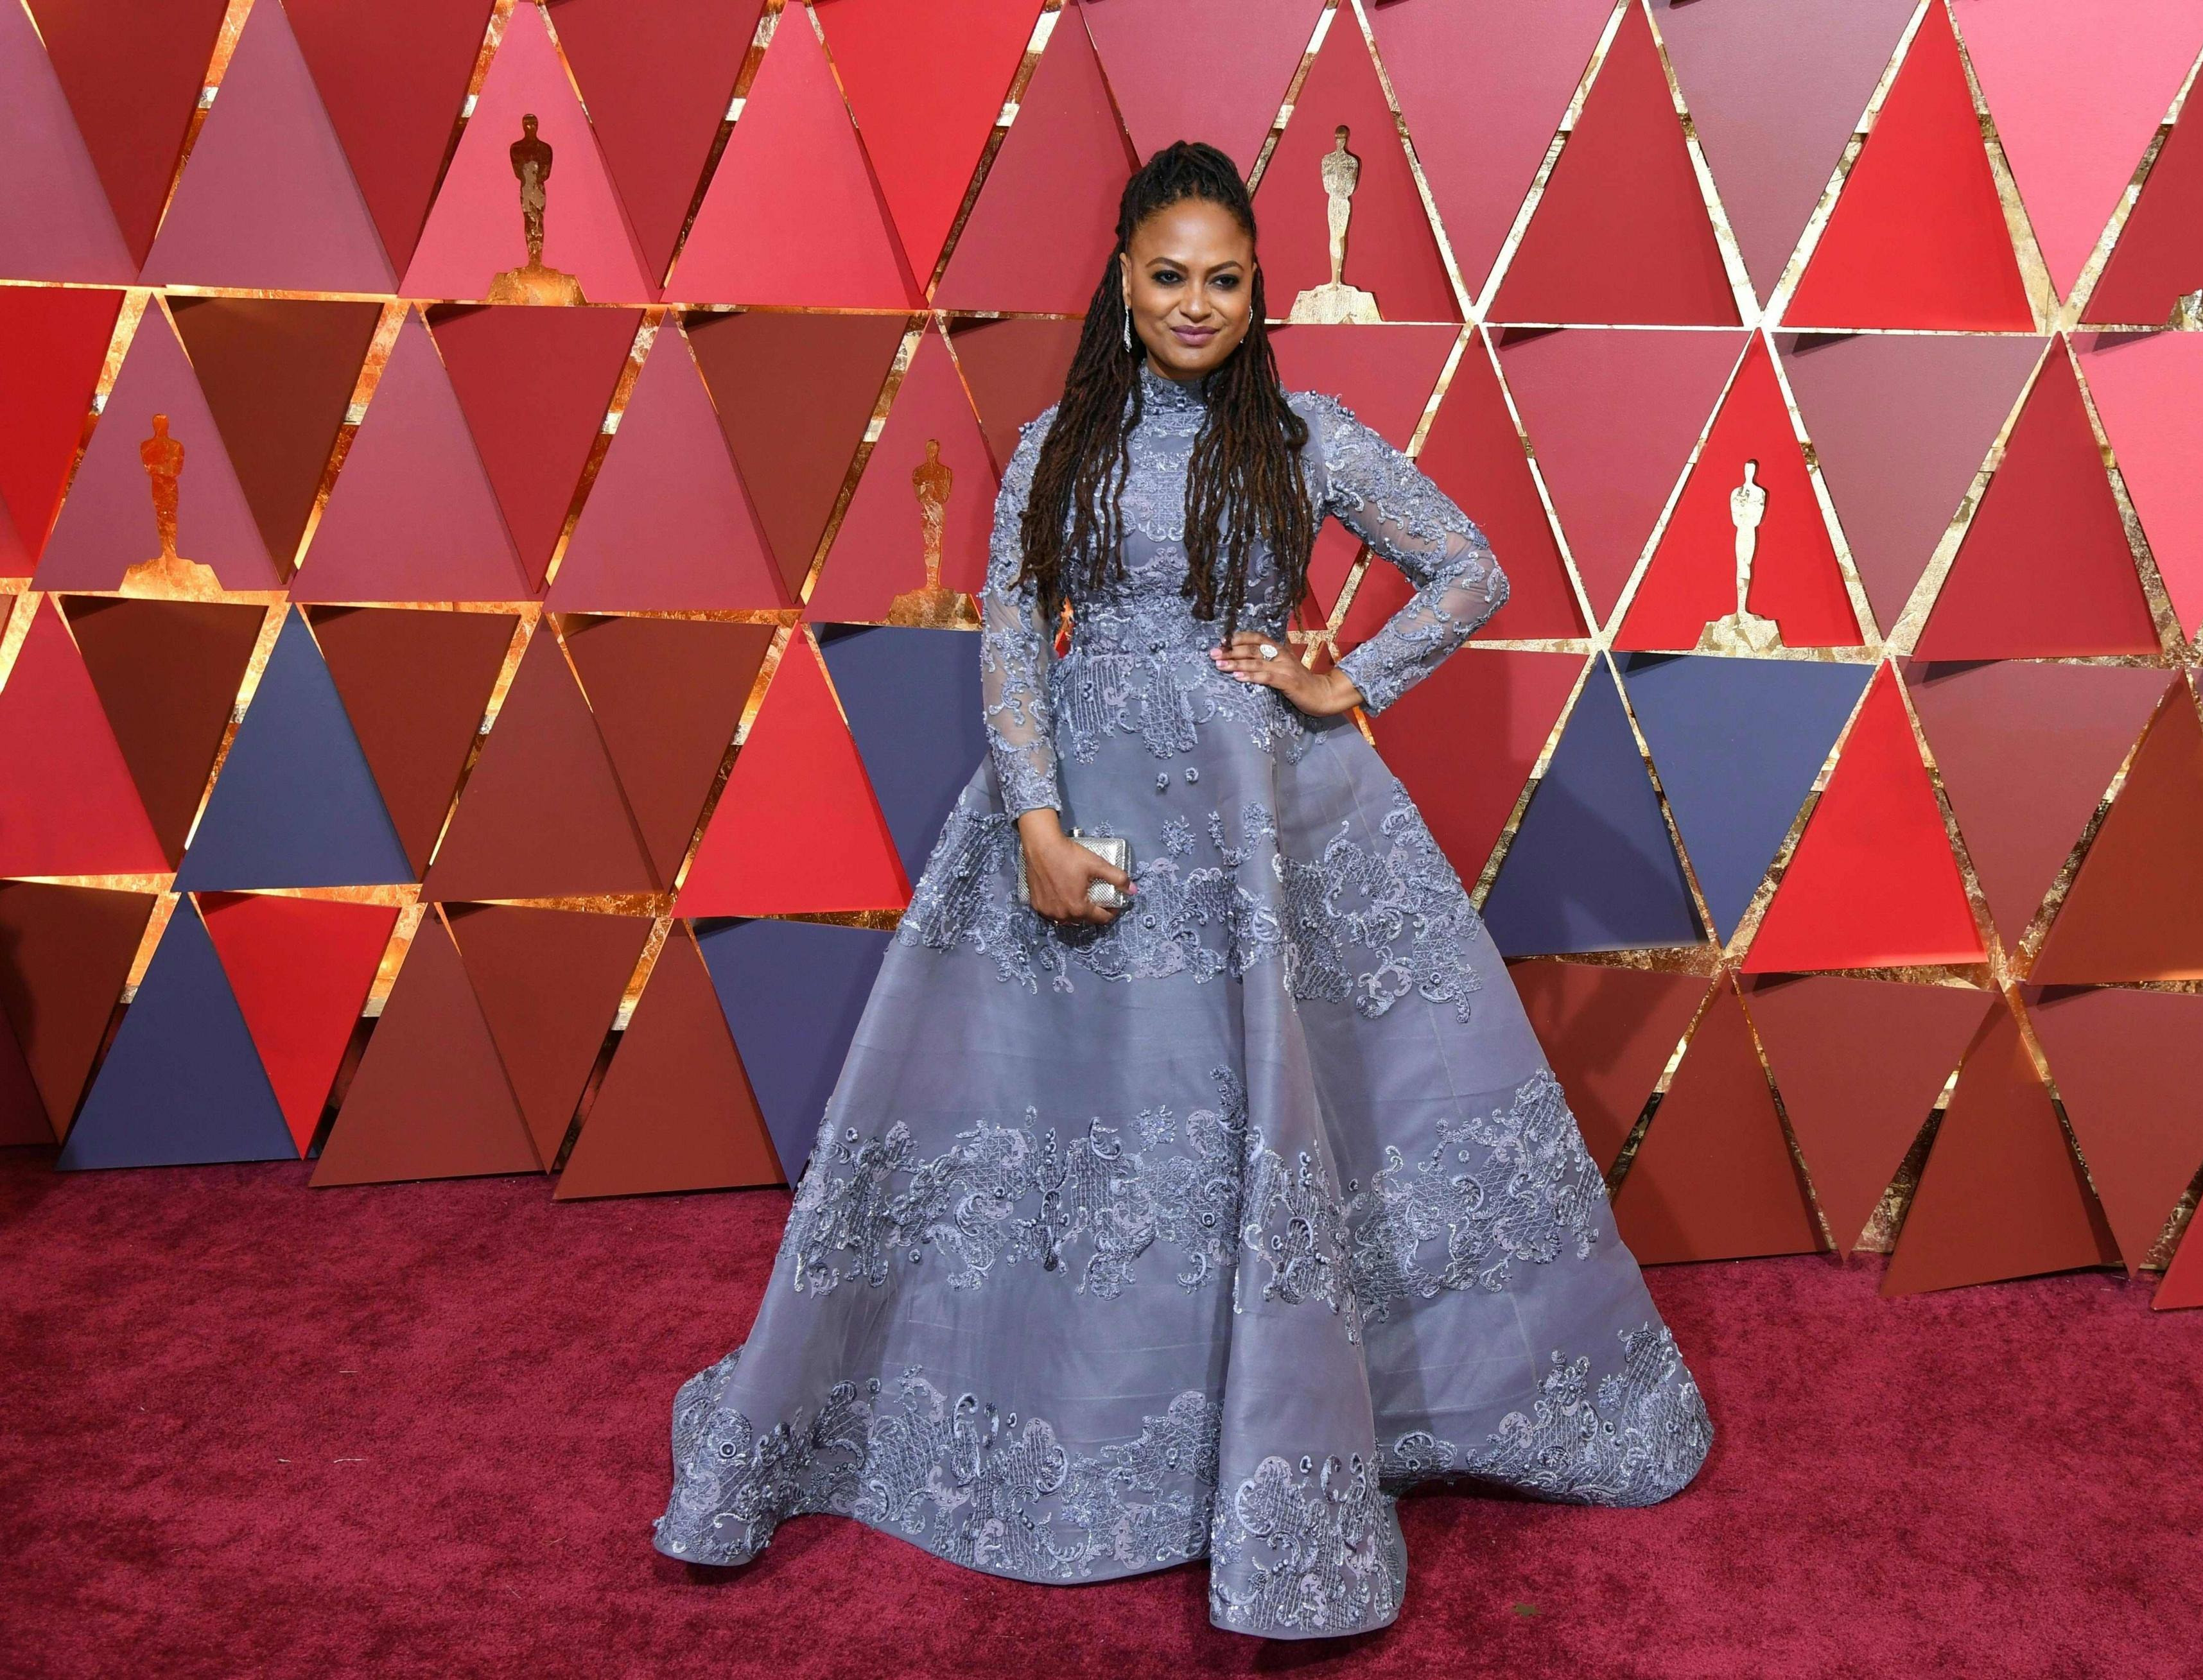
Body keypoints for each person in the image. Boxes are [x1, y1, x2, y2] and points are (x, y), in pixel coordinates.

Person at [650, 141, 1711, 1640]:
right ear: (1124, 279)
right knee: (1084, 1127)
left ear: (1258, 282)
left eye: (1224, 277)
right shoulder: (1055, 446)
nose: (1197, 302)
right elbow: (1015, 625)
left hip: (1270, 821)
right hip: (1085, 816)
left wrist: (1339, 681)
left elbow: (1469, 568)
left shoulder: (1307, 435)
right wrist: (1031, 817)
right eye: (1169, 275)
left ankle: (1298, 1439)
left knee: (1281, 1119)